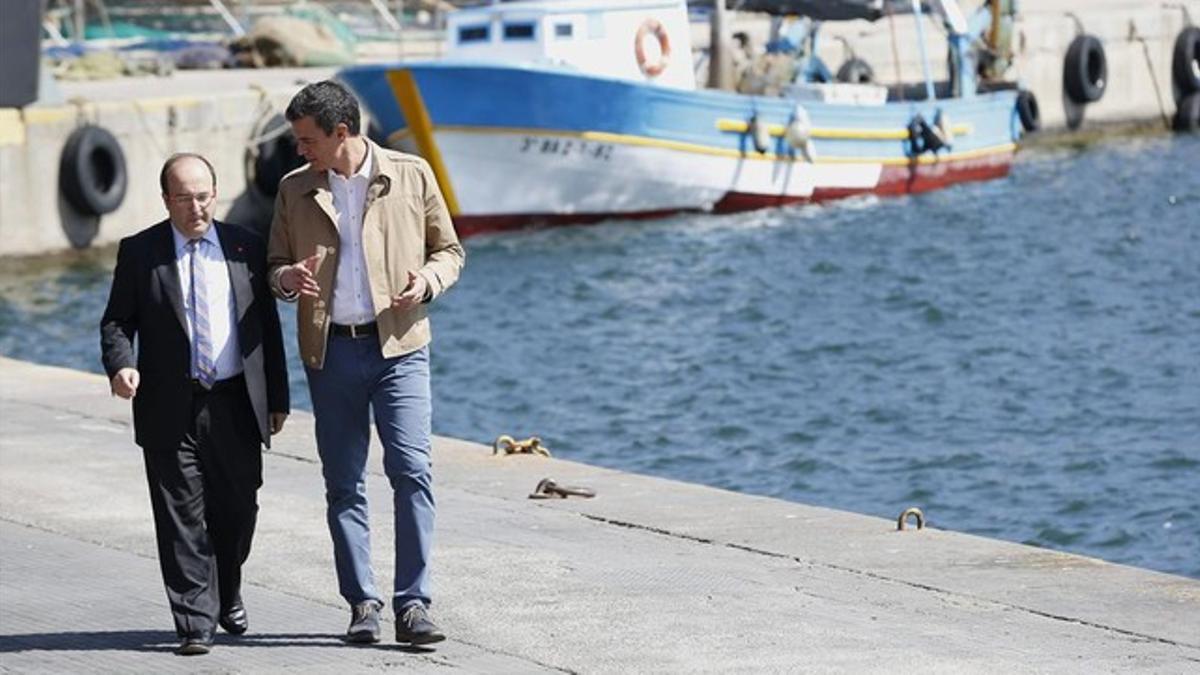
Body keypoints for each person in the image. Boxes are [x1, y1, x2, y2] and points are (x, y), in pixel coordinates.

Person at [267, 80, 464, 646]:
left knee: (412, 471)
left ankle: (414, 604)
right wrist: (285, 279)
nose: (299, 149)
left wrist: (426, 281)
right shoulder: (293, 189)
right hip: (329, 354)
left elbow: (449, 252)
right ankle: (362, 603)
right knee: (343, 483)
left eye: (307, 139)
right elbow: (274, 262)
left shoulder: (411, 173)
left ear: (341, 133)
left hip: (400, 349)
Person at [100, 153, 290, 656]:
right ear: (167, 200)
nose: (196, 207)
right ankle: (194, 620)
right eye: (184, 198)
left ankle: (228, 586)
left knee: (237, 510)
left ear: (216, 193)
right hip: (169, 403)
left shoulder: (246, 247)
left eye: (204, 195)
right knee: (180, 515)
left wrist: (277, 396)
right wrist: (121, 365)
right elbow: (117, 321)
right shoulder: (141, 252)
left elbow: (266, 331)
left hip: (234, 403)